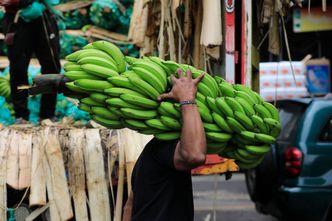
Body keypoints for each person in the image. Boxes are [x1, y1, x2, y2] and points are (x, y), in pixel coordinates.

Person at [123, 69, 207, 221]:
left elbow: (129, 205)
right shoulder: (160, 149)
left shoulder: (148, 155)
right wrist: (187, 99)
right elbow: (195, 155)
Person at [1, 0, 62, 123]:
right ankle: (21, 115)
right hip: (17, 18)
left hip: (41, 17)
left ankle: (47, 114)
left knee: (51, 67)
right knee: (18, 69)